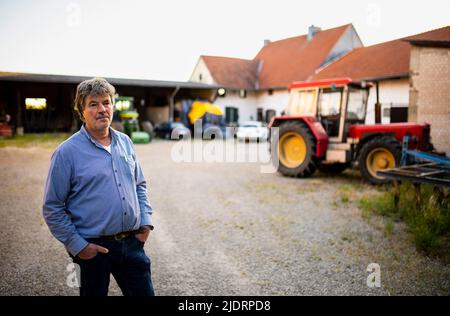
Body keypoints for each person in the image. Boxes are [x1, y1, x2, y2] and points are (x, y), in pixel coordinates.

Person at [43, 77, 155, 296]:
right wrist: (79, 247)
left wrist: (145, 224)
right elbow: (52, 207)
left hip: (132, 244)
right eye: (93, 104)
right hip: (92, 250)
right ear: (81, 111)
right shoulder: (66, 153)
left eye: (106, 102)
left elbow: (139, 184)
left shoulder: (125, 142)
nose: (102, 109)